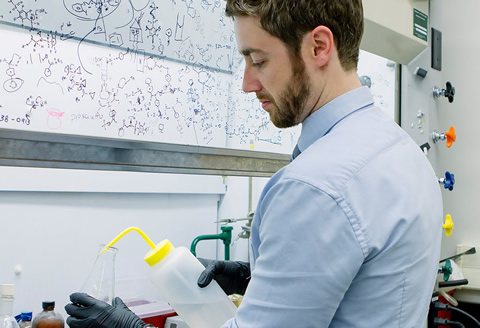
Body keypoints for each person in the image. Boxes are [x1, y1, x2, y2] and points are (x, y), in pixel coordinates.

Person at [65, 0, 443, 327]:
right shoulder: (402, 152)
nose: (247, 83)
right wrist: (253, 278)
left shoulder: (315, 185)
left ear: (319, 46)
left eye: (258, 61)